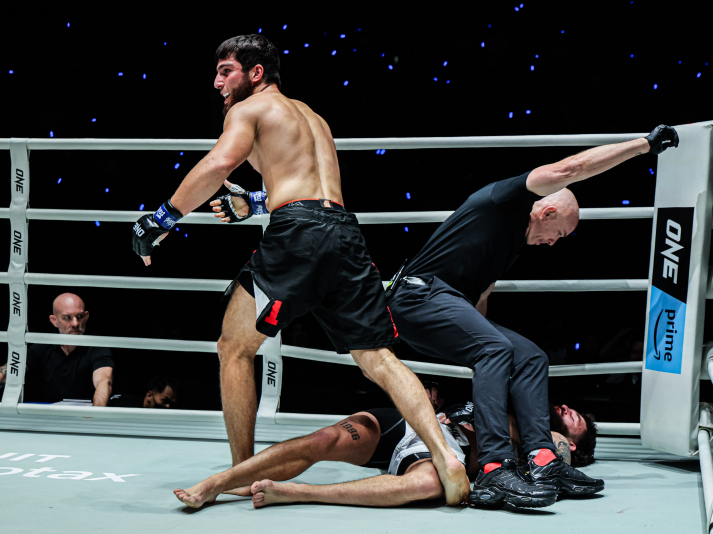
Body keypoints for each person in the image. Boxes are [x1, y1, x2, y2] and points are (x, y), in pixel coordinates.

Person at [130, 34, 468, 504]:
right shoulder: (313, 117)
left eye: (226, 71)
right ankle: (445, 456)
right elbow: (305, 183)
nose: (217, 83)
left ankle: (240, 473)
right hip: (344, 231)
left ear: (255, 73)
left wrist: (161, 219)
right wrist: (255, 202)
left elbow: (219, 163)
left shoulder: (249, 109)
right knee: (378, 358)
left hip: (298, 235)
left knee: (233, 346)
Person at [386, 125, 679, 507]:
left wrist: (479, 347)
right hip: (415, 297)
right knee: (495, 349)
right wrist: (643, 146)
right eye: (559, 233)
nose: (553, 242)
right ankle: (495, 470)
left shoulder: (509, 245)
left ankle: (542, 460)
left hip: (443, 304)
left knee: (529, 356)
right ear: (548, 211)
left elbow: (478, 306)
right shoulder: (505, 201)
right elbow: (570, 169)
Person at [174, 385, 587, 509]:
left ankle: (298, 492)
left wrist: (559, 445)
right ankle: (219, 482)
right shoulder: (527, 397)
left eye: (577, 420)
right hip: (416, 422)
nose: (568, 410)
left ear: (573, 443)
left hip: (448, 450)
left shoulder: (547, 445)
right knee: (324, 439)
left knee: (426, 484)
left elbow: (551, 458)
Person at [24, 293, 114, 406]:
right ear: (54, 320)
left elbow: (104, 381)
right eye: (67, 318)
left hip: (86, 413)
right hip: (52, 414)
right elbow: (12, 369)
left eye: (80, 316)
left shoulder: (97, 348)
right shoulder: (41, 348)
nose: (75, 323)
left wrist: (95, 414)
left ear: (86, 317)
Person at [108, 375, 179, 408]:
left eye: (171, 403)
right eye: (165, 401)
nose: (168, 406)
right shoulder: (121, 404)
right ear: (149, 395)